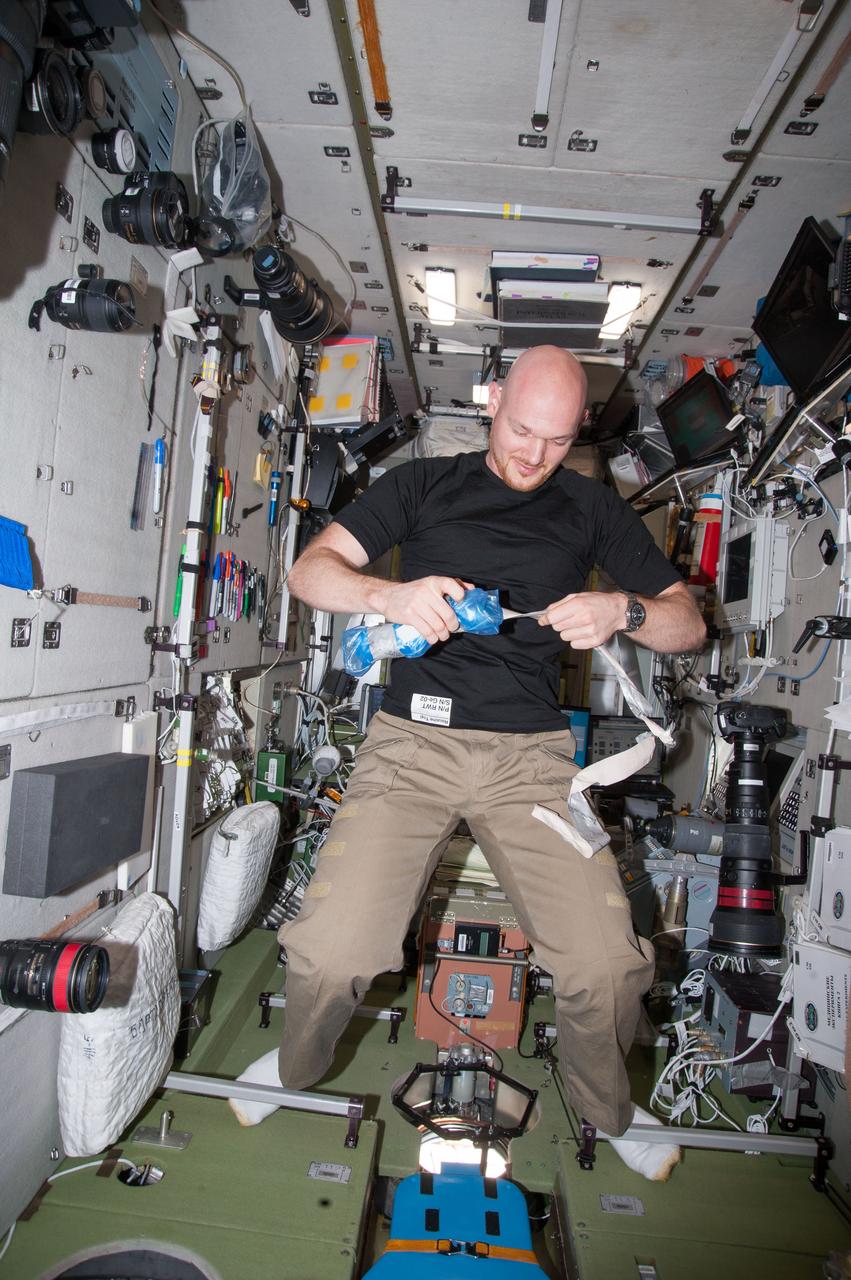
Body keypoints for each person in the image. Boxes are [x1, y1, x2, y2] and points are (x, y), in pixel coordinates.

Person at [234, 346, 706, 1179]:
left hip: (531, 760)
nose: (533, 454)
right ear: (492, 403)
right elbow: (311, 571)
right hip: (413, 745)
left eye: (557, 440)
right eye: (522, 430)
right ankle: (295, 1067)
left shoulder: (591, 509)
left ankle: (607, 1108)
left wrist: (623, 608)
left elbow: (685, 624)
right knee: (333, 952)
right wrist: (387, 594)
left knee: (605, 967)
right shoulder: (422, 486)